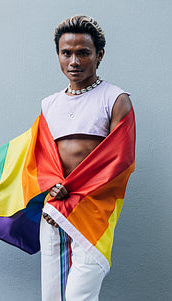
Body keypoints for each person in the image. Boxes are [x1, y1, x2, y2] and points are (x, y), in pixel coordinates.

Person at [40, 15, 133, 301]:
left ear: (99, 55)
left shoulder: (115, 99)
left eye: (83, 53)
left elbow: (120, 161)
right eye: (66, 53)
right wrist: (51, 186)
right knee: (53, 297)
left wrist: (74, 191)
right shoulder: (49, 104)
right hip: (54, 211)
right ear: (58, 54)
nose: (74, 61)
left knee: (81, 296)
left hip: (93, 213)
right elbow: (40, 158)